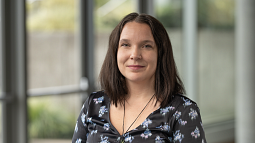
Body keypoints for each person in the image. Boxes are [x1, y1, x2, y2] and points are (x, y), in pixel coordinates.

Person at [72, 12, 206, 143]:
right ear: (115, 52)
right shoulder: (93, 105)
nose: (135, 55)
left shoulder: (183, 111)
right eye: (125, 45)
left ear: (161, 54)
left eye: (146, 46)